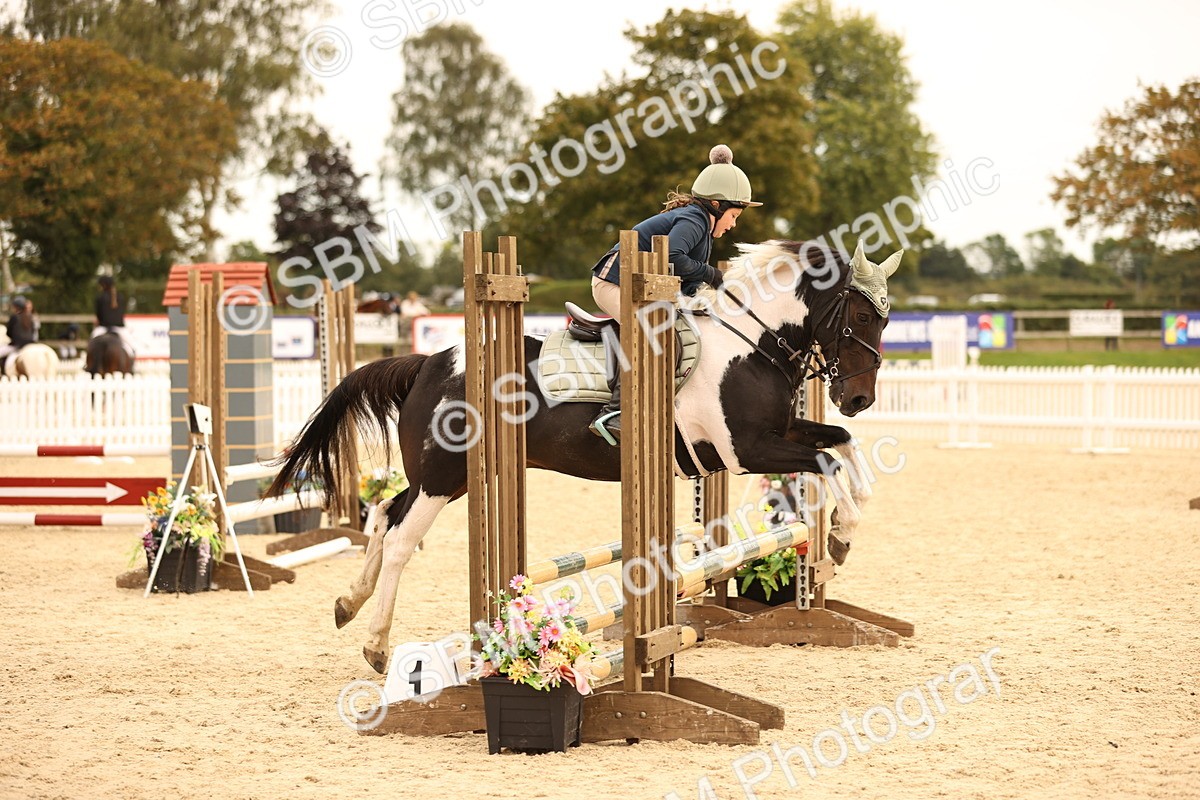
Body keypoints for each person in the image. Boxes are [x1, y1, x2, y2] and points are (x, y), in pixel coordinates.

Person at [588, 143, 762, 442]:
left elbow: (686, 282)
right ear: (717, 206)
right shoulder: (694, 220)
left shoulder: (702, 228)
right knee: (654, 332)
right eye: (734, 215)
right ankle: (614, 412)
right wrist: (713, 275)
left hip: (639, 288)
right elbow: (673, 257)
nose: (734, 224)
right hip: (614, 283)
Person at [92, 275, 135, 357]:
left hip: (103, 328)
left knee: (91, 343)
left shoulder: (100, 298)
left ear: (104, 285)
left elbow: (98, 315)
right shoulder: (121, 297)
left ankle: (88, 364)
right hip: (120, 328)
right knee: (132, 347)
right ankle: (133, 365)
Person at [1, 295, 38, 373]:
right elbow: (33, 331)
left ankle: (3, 373)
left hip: (18, 345)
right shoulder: (30, 316)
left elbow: (9, 333)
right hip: (30, 344)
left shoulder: (14, 317)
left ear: (16, 307)